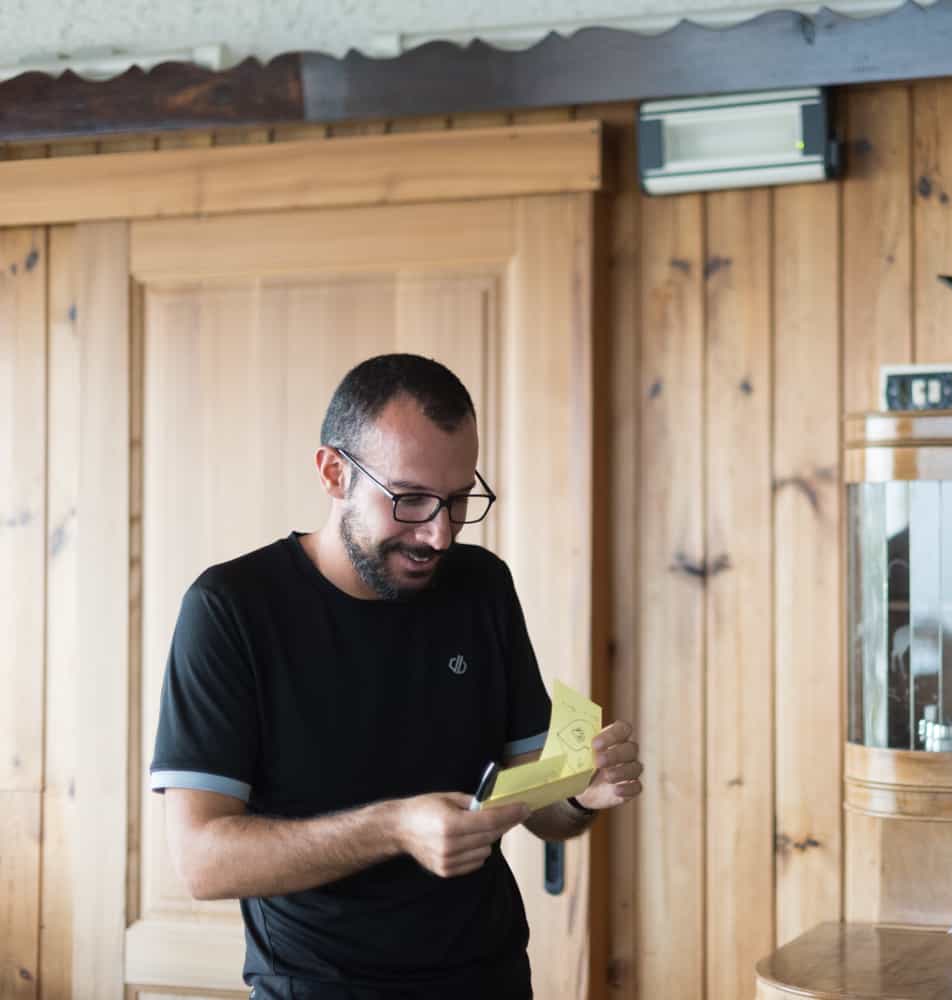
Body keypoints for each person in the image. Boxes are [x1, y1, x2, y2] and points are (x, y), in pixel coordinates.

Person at [149, 353, 642, 1000]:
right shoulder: (231, 609)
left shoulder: (483, 586)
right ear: (333, 473)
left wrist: (578, 794)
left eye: (458, 501)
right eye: (410, 500)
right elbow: (202, 861)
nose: (439, 536)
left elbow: (540, 806)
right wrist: (394, 828)